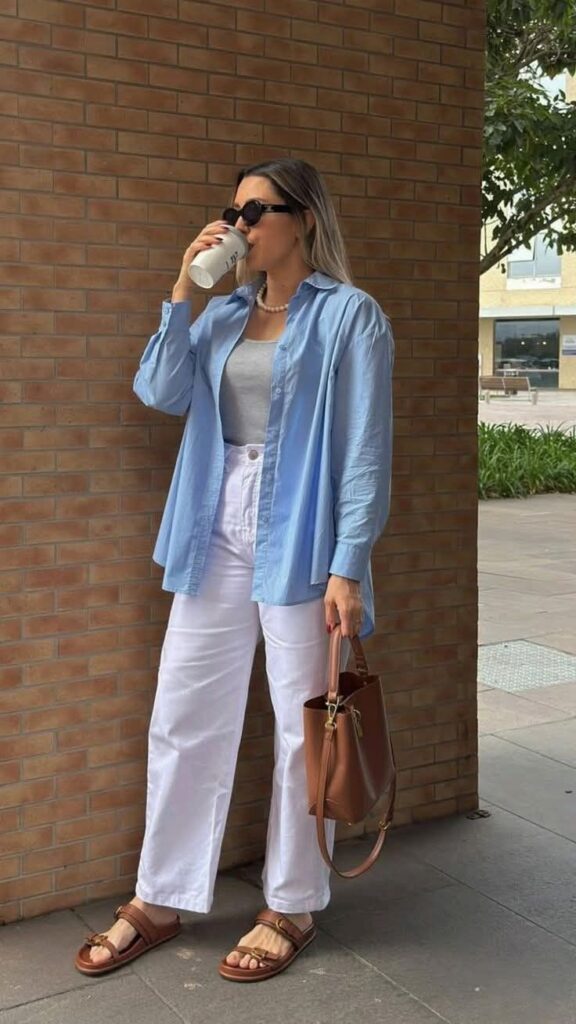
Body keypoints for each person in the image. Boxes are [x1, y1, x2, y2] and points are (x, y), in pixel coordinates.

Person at [74, 157, 394, 983]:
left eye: (257, 211)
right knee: (183, 713)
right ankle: (161, 896)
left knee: (300, 728)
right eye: (234, 210)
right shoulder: (222, 314)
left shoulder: (351, 317)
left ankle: (292, 904)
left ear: (304, 220)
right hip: (212, 527)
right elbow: (159, 389)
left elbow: (365, 453)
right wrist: (184, 290)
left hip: (302, 534)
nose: (240, 225)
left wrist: (349, 567)